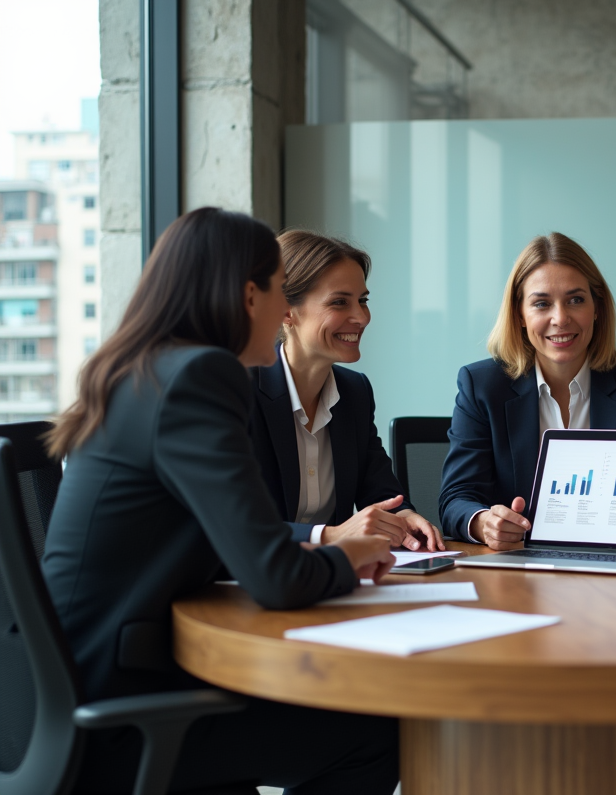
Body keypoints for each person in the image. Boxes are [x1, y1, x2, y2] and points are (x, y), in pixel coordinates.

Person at [41, 208, 400, 794]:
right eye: (281, 292)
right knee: (376, 733)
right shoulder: (201, 376)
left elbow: (227, 543)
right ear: (248, 295)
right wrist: (346, 555)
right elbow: (274, 576)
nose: (284, 309)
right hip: (125, 707)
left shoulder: (141, 369)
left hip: (77, 685)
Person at [439, 232, 616, 548]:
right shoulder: (482, 386)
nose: (560, 318)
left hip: (614, 566)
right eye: (541, 303)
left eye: (575, 300)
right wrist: (484, 522)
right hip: (515, 573)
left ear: (597, 308)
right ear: (519, 315)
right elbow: (457, 498)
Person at [249, 229, 443, 552]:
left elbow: (381, 492)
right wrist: (329, 536)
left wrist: (405, 516)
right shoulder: (239, 392)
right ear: (286, 311)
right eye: (340, 302)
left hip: (332, 582)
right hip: (251, 587)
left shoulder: (355, 393)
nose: (361, 317)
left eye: (363, 301)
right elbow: (238, 525)